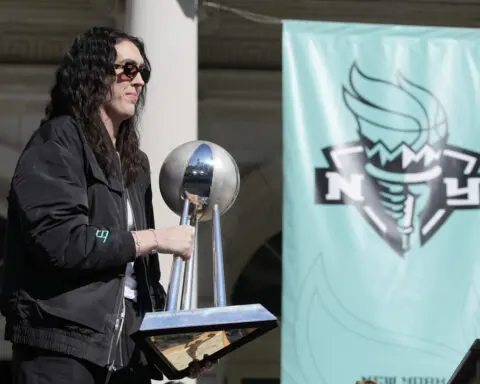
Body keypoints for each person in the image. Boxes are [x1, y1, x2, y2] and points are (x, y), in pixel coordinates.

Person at [0, 26, 209, 384]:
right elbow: (61, 240)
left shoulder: (134, 163)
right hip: (63, 350)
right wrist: (154, 238)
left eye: (144, 72)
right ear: (94, 73)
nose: (139, 81)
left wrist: (172, 350)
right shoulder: (59, 141)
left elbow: (142, 278)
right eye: (128, 69)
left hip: (125, 357)